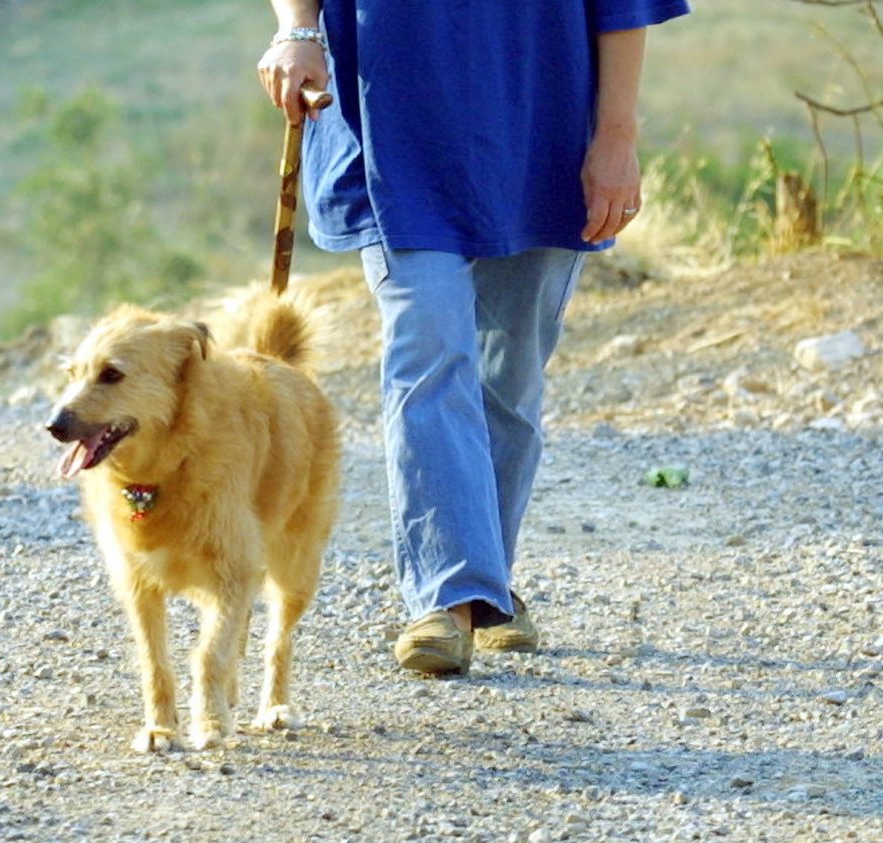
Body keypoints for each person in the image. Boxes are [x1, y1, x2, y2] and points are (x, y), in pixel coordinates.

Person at [258, 1, 691, 676]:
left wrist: (617, 136)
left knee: (510, 375)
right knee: (428, 351)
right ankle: (448, 598)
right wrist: (297, 29)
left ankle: (486, 579)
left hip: (541, 131)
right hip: (389, 129)